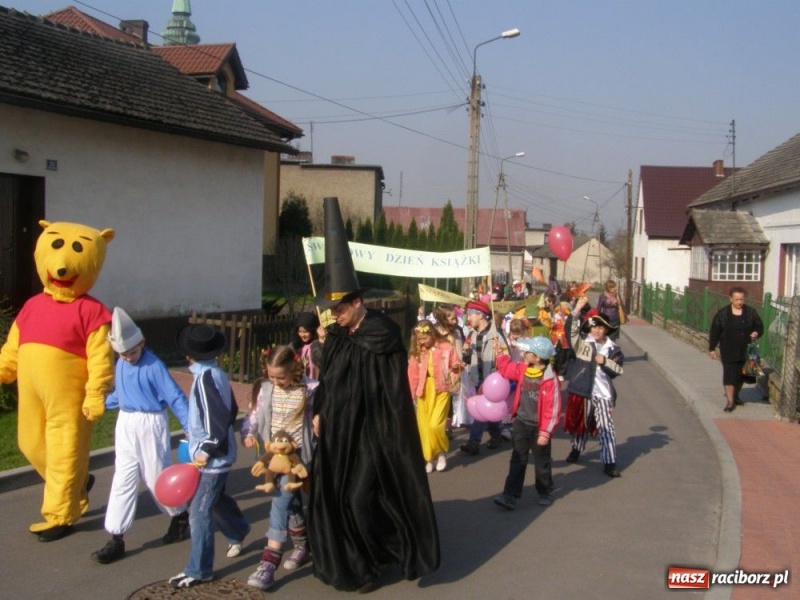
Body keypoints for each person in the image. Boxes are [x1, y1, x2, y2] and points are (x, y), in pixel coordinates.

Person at [307, 196, 439, 593]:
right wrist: (318, 409)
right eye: (330, 310)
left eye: (340, 308)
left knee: (360, 498)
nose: (334, 315)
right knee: (342, 498)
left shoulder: (379, 332)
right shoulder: (339, 336)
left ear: (357, 302)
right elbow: (329, 380)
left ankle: (381, 558)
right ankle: (364, 561)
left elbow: (385, 387)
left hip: (375, 434)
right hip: (342, 433)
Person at [91, 308, 190, 564]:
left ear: (142, 343)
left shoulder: (154, 366)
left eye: (132, 352)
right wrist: (101, 404)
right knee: (123, 476)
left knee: (156, 475)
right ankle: (116, 536)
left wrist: (190, 425)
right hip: (126, 422)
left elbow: (174, 397)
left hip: (150, 423)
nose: (128, 358)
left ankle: (179, 516)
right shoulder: (122, 364)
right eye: (123, 354)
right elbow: (122, 394)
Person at [168, 324, 250, 589]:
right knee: (213, 500)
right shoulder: (217, 373)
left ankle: (199, 569)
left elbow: (215, 420)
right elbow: (231, 408)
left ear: (188, 356)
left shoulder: (204, 379)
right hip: (216, 454)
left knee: (199, 511)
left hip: (213, 459)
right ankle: (237, 529)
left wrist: (205, 449)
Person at [242, 345, 317, 590]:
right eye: (272, 376)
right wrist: (250, 432)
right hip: (273, 456)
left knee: (279, 498)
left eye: (281, 377)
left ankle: (268, 563)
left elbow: (322, 411)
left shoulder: (309, 389)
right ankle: (303, 546)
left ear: (294, 370)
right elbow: (254, 414)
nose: (276, 381)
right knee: (291, 502)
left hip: (298, 458)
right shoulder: (266, 389)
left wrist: (320, 419)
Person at [493, 336, 561, 509]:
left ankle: (544, 490)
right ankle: (510, 495)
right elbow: (507, 369)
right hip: (521, 422)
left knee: (541, 461)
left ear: (537, 357)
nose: (524, 353)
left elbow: (552, 409)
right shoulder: (524, 368)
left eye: (527, 352)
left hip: (539, 427)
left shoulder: (550, 379)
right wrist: (500, 354)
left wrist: (546, 432)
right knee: (518, 459)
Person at [563, 302, 625, 477]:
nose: (596, 331)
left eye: (600, 328)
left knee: (607, 428)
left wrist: (604, 361)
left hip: (603, 394)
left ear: (606, 329)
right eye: (593, 327)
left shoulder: (613, 349)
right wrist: (575, 311)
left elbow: (619, 370)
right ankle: (576, 449)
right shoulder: (583, 344)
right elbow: (571, 332)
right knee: (581, 425)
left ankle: (610, 463)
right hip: (583, 392)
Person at [408, 320, 460, 473]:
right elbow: (412, 374)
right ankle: (429, 458)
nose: (422, 341)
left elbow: (455, 362)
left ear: (431, 334)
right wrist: (411, 393)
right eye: (419, 339)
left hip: (441, 389)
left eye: (424, 338)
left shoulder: (446, 347)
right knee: (424, 428)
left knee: (435, 425)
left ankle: (441, 452)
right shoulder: (417, 351)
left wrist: (456, 367)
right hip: (423, 391)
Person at [459, 299, 509, 456]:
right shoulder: (472, 334)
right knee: (488, 410)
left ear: (480, 316)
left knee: (481, 410)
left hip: (492, 379)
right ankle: (495, 435)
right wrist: (466, 352)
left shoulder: (496, 334)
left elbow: (505, 358)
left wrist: (499, 353)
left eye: (471, 315)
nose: (469, 319)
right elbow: (468, 360)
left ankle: (474, 442)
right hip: (478, 377)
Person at [708, 286, 764, 412]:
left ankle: (736, 395)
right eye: (737, 299)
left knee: (741, 375)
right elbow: (715, 331)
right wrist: (712, 348)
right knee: (729, 375)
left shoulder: (750, 312)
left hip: (746, 350)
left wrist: (756, 332)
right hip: (728, 349)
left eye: (741, 300)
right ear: (731, 299)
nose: (739, 302)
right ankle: (730, 402)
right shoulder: (723, 314)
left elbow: (759, 326)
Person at [290, 311, 322, 380]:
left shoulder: (318, 344)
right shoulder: (294, 346)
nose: (302, 335)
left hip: (316, 383)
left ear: (313, 331)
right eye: (300, 331)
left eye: (305, 332)